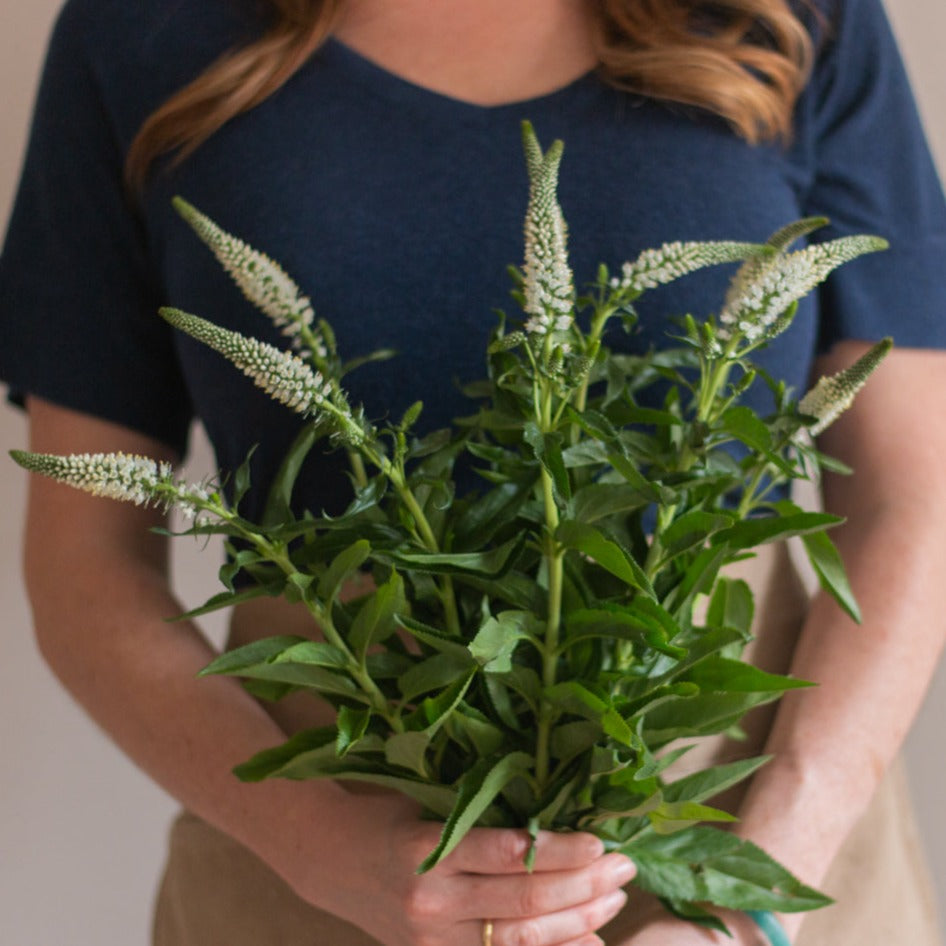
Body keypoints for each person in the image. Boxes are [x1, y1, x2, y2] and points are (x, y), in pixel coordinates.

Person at [2, 0, 945, 944]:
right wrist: (324, 847)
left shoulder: (793, 14)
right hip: (319, 874)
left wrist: (751, 903)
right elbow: (83, 570)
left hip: (751, 848)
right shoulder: (139, 30)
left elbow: (913, 500)